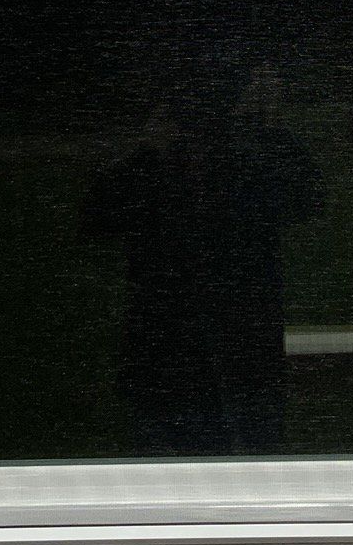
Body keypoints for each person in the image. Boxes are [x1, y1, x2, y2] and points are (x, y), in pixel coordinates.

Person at [83, 48, 319, 458]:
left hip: (229, 344)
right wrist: (149, 150)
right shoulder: (161, 168)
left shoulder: (243, 161)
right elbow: (98, 216)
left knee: (242, 447)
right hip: (175, 348)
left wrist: (267, 127)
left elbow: (305, 199)